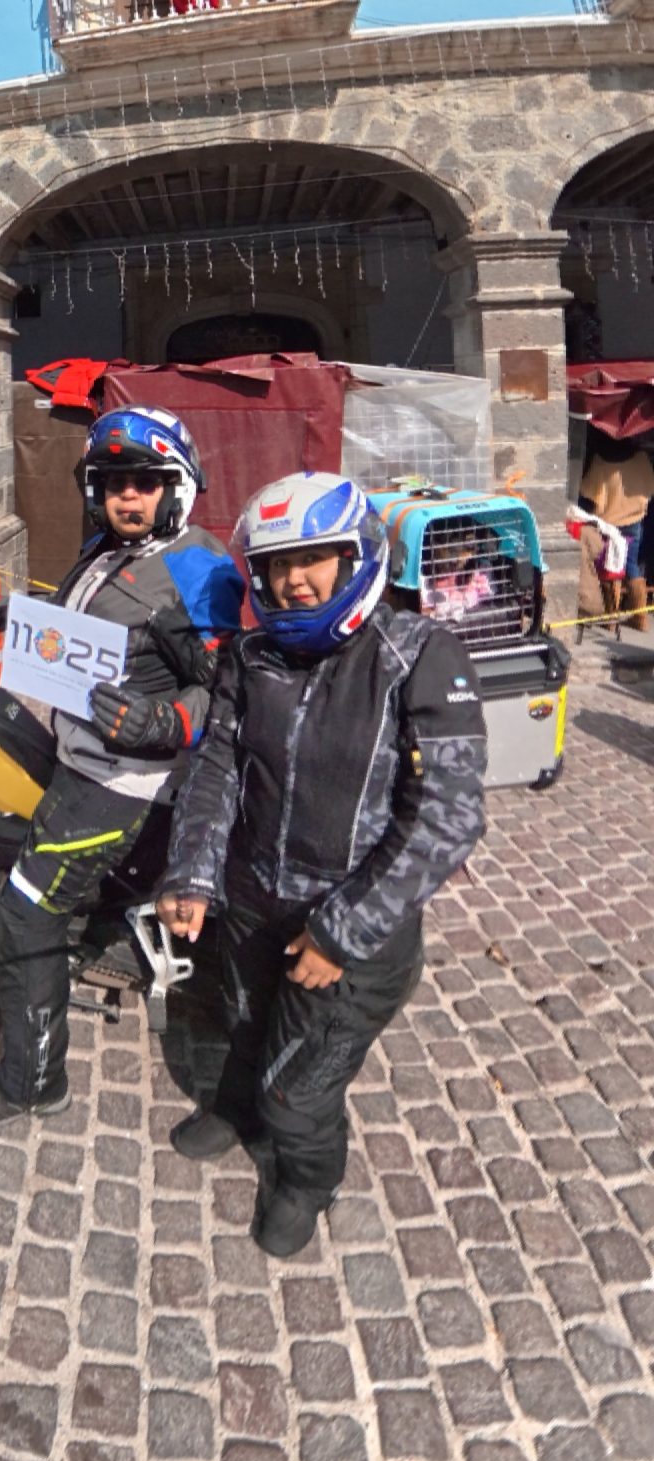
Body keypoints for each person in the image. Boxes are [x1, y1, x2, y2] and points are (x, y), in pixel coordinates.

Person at [157, 471, 487, 1258]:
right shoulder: (250, 656)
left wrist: (342, 932)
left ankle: (308, 1178)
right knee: (239, 1023)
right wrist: (193, 871)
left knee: (298, 1090)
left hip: (351, 928)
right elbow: (217, 767)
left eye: (313, 558)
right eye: (276, 564)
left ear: (355, 556)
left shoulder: (420, 656)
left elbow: (447, 816)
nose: (293, 580)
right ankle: (234, 1109)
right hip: (251, 898)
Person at [0, 406, 243, 1126]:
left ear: (176, 487)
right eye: (114, 484)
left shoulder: (197, 568)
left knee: (23, 916)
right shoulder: (107, 550)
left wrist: (162, 722)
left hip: (120, 783)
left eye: (144, 482)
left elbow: (229, 693)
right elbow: (73, 630)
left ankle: (32, 1082)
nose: (127, 496)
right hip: (78, 752)